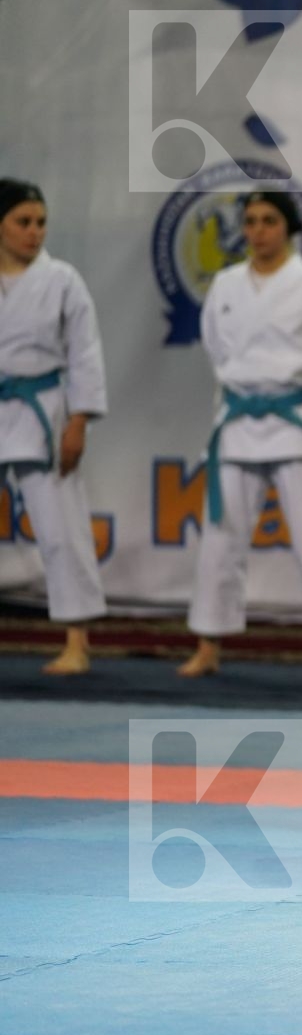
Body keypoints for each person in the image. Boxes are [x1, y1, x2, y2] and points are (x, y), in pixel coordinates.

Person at [180, 193, 302, 682]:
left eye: (269, 221)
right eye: (251, 222)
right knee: (220, 541)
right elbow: (217, 352)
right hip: (237, 421)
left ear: (289, 227)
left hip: (296, 420)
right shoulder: (225, 285)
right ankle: (208, 645)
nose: (259, 230)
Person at [0, 179, 107, 678]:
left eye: (40, 222)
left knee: (61, 530)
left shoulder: (62, 280)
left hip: (44, 409)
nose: (34, 232)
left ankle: (76, 641)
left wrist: (79, 421)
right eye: (23, 222)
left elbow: (84, 354)